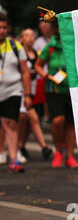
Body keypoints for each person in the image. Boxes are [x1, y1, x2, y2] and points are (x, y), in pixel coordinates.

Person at [34, 21, 78, 169]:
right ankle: (59, 150)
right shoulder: (51, 47)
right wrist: (45, 75)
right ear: (57, 30)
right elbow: (38, 65)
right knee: (58, 120)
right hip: (54, 90)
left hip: (72, 90)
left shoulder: (74, 45)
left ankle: (70, 156)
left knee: (71, 124)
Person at [0, 13, 33, 173]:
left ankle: (14, 159)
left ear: (9, 29)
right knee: (6, 124)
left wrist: (27, 94)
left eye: (4, 27)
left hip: (12, 90)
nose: (1, 31)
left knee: (10, 123)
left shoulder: (15, 46)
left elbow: (25, 71)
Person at [17, 28, 53, 160]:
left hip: (34, 90)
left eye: (32, 35)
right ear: (21, 38)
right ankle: (43, 147)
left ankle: (21, 146)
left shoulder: (37, 54)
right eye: (27, 35)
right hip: (20, 91)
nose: (30, 38)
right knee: (31, 118)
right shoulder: (18, 53)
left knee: (27, 121)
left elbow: (41, 68)